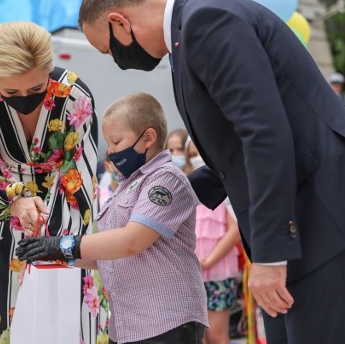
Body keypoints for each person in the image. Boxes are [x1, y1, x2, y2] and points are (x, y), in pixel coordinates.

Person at [77, 0, 345, 343]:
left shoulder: (206, 22)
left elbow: (264, 134)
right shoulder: (190, 34)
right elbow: (233, 148)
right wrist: (175, 189)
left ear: (120, 22)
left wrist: (270, 254)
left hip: (322, 211)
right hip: (306, 212)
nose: (117, 61)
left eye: (108, 50)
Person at [17, 92, 208, 343]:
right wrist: (52, 253)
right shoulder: (127, 186)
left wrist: (63, 245)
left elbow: (131, 241)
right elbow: (109, 256)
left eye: (116, 141)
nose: (111, 151)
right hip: (129, 323)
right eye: (109, 143)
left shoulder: (165, 179)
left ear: (148, 137)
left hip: (166, 320)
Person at [0, 21, 107, 342]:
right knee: (3, 308)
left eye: (37, 90)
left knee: (68, 310)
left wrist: (54, 240)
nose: (25, 97)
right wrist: (14, 202)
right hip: (4, 217)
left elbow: (78, 174)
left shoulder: (73, 96)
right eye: (11, 92)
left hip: (67, 216)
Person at [188, 140, 241, 344]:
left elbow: (235, 230)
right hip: (193, 272)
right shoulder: (186, 186)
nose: (195, 156)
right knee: (198, 336)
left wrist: (209, 261)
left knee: (217, 335)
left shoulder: (225, 187)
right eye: (191, 152)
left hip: (219, 271)